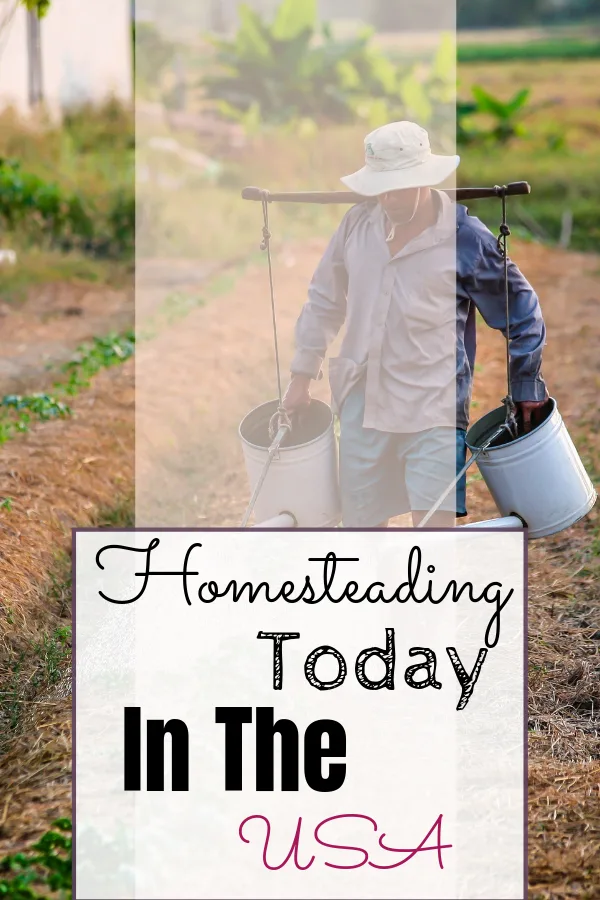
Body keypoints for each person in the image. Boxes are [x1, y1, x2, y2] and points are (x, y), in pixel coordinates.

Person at [283, 121, 550, 529]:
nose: (388, 197)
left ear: (425, 179)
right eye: (380, 187)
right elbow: (324, 301)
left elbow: (522, 312)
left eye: (399, 186)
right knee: (361, 533)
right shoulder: (357, 225)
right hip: (362, 400)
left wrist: (525, 385)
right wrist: (300, 376)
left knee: (434, 534)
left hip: (433, 406)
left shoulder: (465, 238)